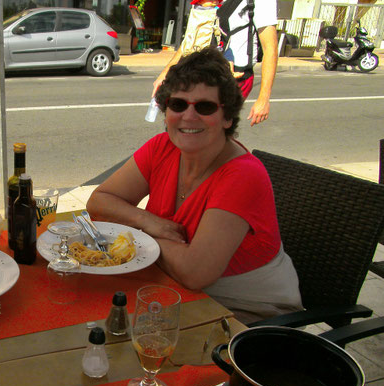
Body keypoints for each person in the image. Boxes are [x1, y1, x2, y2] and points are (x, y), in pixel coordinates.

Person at [87, 48, 302, 325]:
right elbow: (100, 201)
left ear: (227, 117)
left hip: (249, 317)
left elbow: (194, 272)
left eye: (205, 106)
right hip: (178, 292)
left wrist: (136, 235)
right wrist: (148, 221)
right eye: (178, 104)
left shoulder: (242, 175)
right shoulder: (162, 148)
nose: (188, 116)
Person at [152, 0, 278, 126]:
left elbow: (270, 48)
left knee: (208, 130)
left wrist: (264, 99)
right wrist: (166, 71)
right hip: (198, 75)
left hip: (233, 80)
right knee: (184, 127)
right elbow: (191, 38)